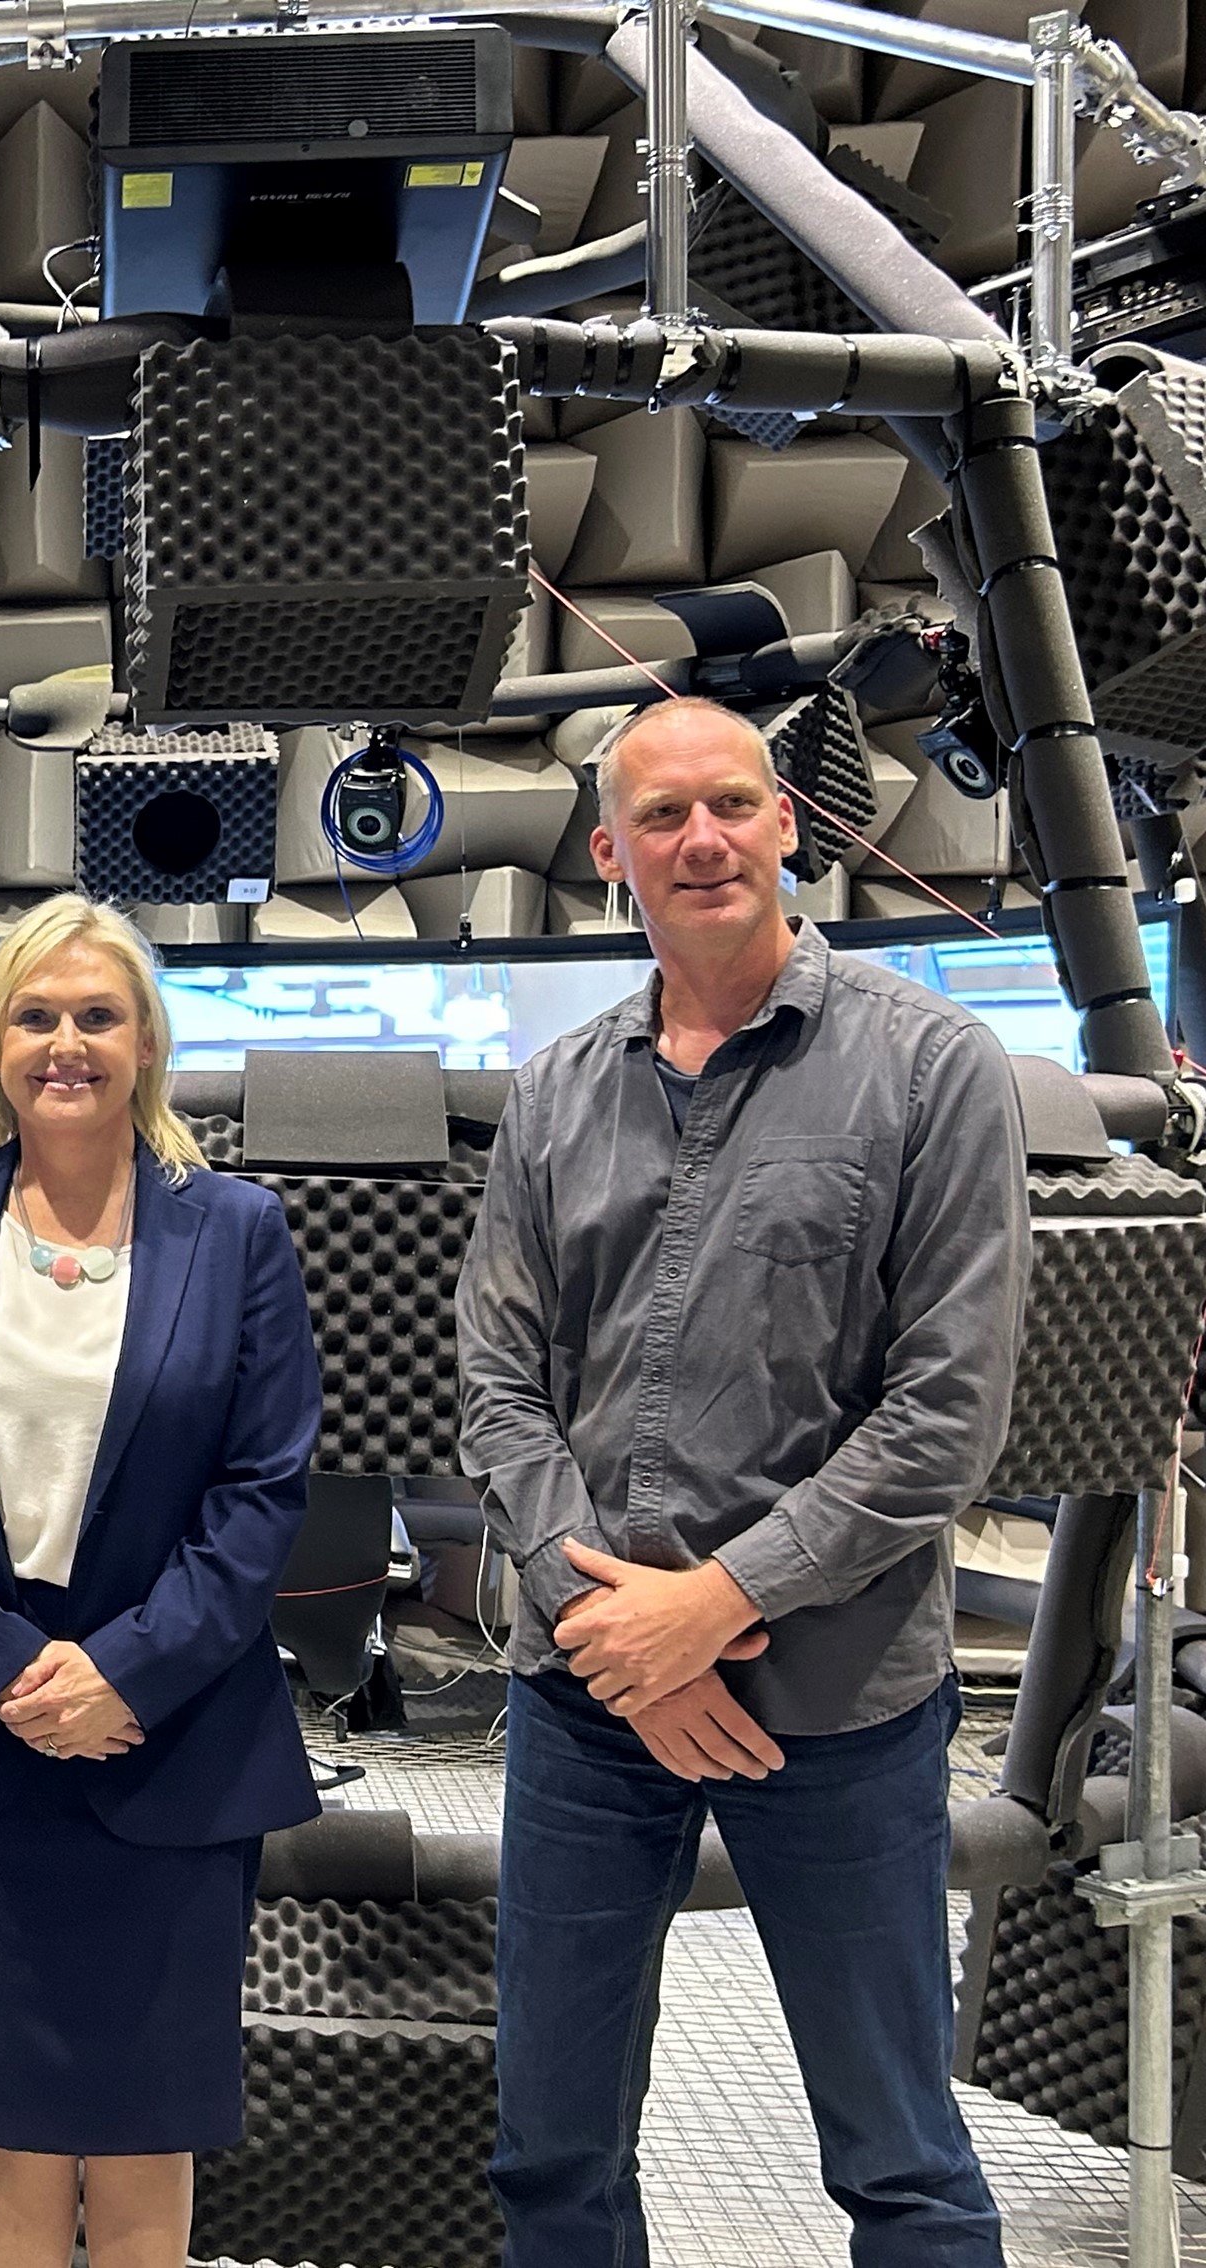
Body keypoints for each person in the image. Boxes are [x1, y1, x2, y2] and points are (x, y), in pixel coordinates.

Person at [457, 695, 1029, 2267]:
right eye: (662, 816)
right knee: (551, 2156)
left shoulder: (936, 1069)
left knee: (899, 2155)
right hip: (588, 1700)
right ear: (607, 854)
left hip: (834, 1703)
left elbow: (946, 1418)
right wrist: (615, 1634)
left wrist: (714, 1604)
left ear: (787, 823)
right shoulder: (558, 1094)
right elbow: (499, 1399)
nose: (700, 838)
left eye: (730, 805)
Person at [0, 894, 323, 2268]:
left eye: (98, 1016)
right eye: (37, 1016)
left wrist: (127, 1671)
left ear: (146, 1042)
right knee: (15, 2111)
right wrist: (6, 1672)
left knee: (148, 2113)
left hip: (170, 1726)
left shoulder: (235, 1230)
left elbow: (261, 1488)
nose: (67, 1043)